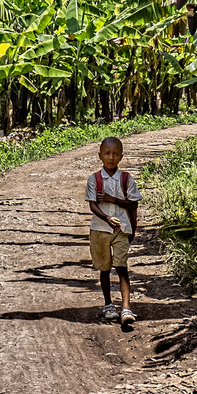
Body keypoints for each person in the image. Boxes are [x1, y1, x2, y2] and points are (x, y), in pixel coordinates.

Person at [86, 136, 141, 324]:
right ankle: (109, 304)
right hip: (100, 229)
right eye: (107, 153)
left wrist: (113, 200)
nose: (111, 157)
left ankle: (126, 308)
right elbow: (92, 206)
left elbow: (133, 203)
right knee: (104, 268)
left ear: (121, 157)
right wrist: (107, 218)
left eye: (115, 154)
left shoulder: (126, 179)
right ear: (100, 155)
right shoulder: (94, 179)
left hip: (121, 228)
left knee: (122, 267)